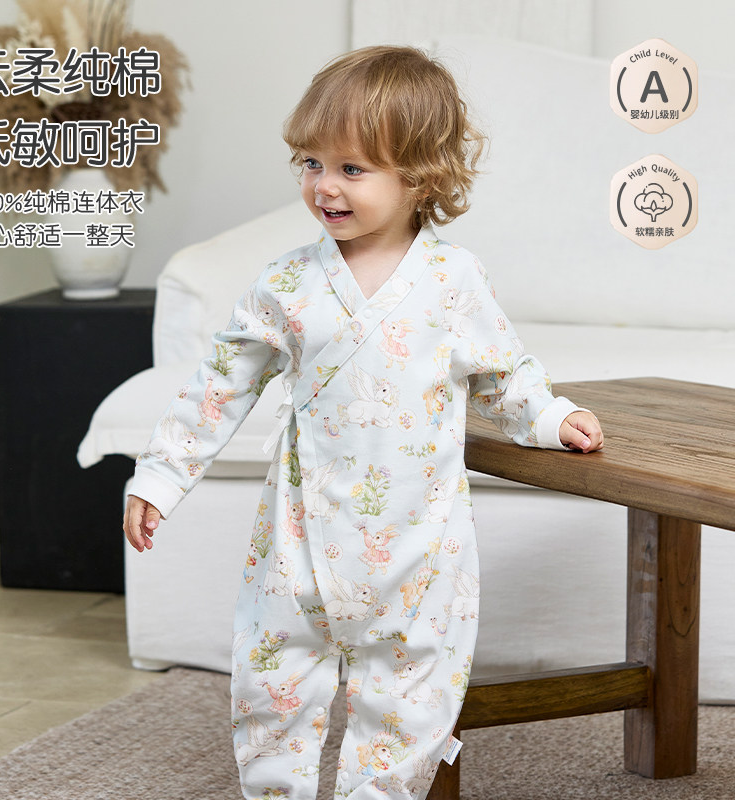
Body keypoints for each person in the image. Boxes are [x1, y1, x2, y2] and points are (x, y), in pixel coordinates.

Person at [123, 45, 603, 800]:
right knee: (272, 685)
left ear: (421, 176)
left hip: (418, 546)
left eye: (352, 168)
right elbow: (220, 383)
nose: (324, 185)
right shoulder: (288, 282)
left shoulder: (452, 281)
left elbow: (503, 374)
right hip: (299, 540)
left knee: (408, 704)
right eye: (310, 163)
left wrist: (550, 415)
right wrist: (160, 476)